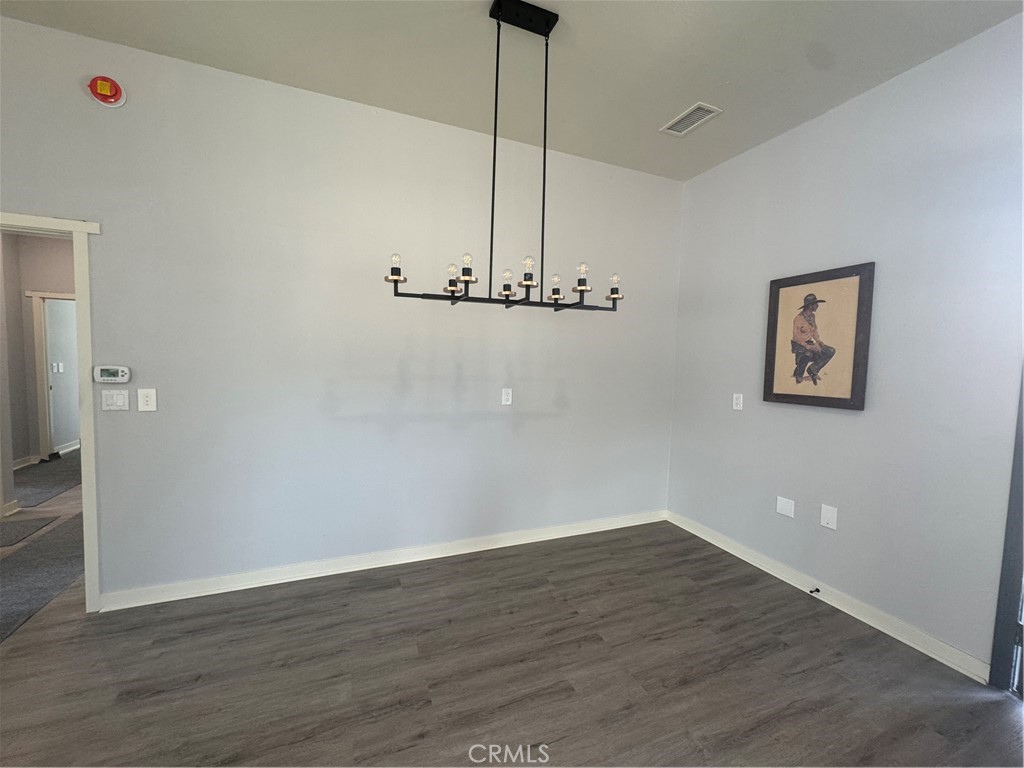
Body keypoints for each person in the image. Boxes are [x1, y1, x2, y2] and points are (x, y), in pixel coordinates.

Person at [791, 293, 835, 385]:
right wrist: (808, 346)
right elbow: (796, 337)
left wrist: (819, 342)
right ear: (810, 306)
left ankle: (813, 369)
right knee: (808, 353)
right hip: (800, 345)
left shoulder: (812, 316)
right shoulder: (799, 318)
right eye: (816, 304)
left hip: (810, 343)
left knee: (830, 351)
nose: (817, 306)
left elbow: (814, 331)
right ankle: (799, 374)